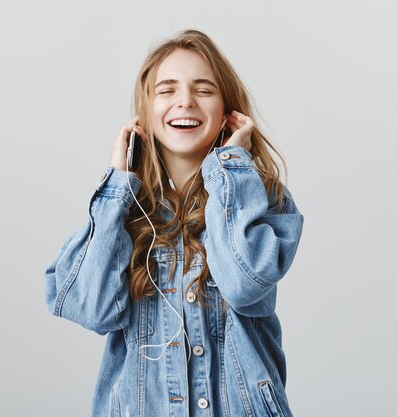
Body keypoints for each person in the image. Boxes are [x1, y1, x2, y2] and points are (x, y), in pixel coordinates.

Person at [44, 28, 304, 417]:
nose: (185, 101)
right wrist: (117, 185)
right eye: (167, 90)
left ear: (228, 113)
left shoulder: (264, 199)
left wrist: (232, 170)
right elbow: (89, 309)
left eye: (203, 90)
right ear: (144, 115)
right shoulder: (126, 211)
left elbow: (244, 283)